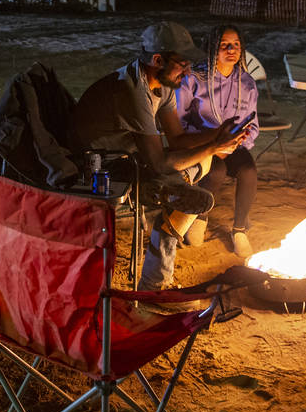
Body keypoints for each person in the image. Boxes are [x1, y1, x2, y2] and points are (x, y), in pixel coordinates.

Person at [70, 21, 250, 291]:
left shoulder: (163, 83)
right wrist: (214, 146)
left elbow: (177, 139)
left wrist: (217, 134)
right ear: (157, 59)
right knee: (196, 191)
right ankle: (156, 280)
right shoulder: (131, 90)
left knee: (203, 162)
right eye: (183, 63)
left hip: (130, 155)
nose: (188, 70)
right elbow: (159, 162)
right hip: (101, 167)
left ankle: (172, 196)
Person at [175, 24, 260, 257]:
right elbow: (179, 120)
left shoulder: (246, 83)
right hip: (200, 144)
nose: (231, 50)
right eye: (224, 44)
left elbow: (253, 124)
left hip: (233, 145)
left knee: (248, 171)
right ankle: (199, 218)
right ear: (213, 47)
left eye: (236, 45)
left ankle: (239, 230)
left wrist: (239, 141)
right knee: (216, 171)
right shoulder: (195, 78)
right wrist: (212, 145)